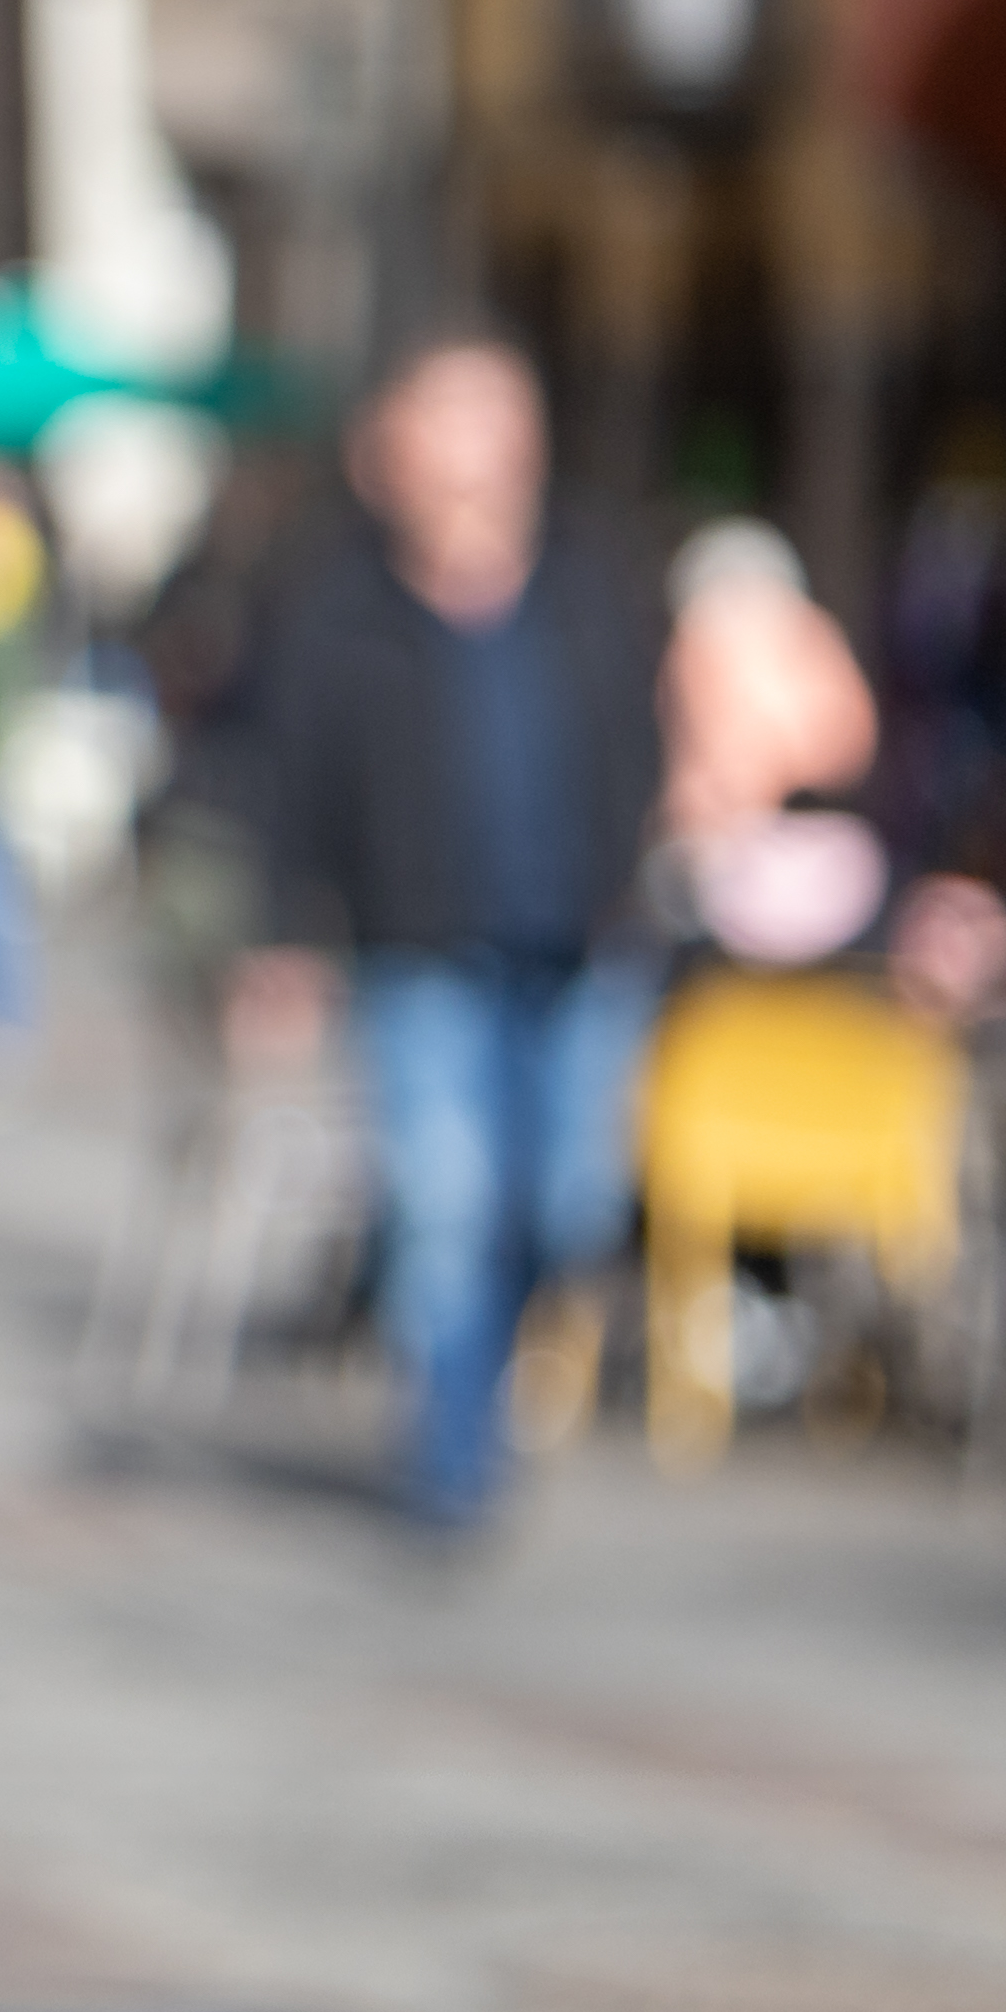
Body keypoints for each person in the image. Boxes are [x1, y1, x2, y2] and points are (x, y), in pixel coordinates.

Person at [234, 332, 669, 1533]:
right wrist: (283, 937)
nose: (480, 448)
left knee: (569, 1201)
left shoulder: (593, 570)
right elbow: (283, 775)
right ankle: (452, 1442)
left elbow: (644, 732)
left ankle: (478, 1375)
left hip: (582, 938)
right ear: (391, 451)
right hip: (414, 941)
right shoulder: (335, 598)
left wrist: (646, 859)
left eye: (498, 415)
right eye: (451, 417)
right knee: (444, 1197)